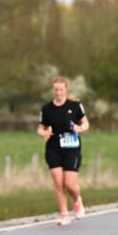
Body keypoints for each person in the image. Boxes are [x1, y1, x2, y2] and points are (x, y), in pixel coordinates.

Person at [36, 77, 89, 226]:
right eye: (56, 90)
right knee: (58, 181)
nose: (58, 92)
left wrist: (79, 128)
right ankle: (64, 213)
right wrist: (44, 132)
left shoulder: (75, 106)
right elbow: (40, 128)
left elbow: (85, 123)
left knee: (70, 184)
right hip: (53, 147)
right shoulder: (47, 109)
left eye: (61, 89)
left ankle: (77, 200)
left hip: (72, 148)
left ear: (66, 90)